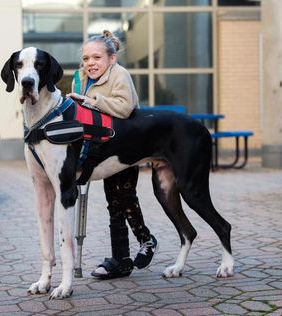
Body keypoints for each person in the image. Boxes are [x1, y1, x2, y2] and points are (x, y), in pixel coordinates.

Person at [67, 30, 158, 279]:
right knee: (113, 202)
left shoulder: (119, 74)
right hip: (102, 148)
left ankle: (146, 240)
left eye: (96, 57)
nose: (90, 63)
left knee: (125, 197)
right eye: (86, 59)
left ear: (111, 58)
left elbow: (125, 107)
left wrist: (92, 100)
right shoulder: (80, 78)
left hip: (128, 146)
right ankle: (121, 259)